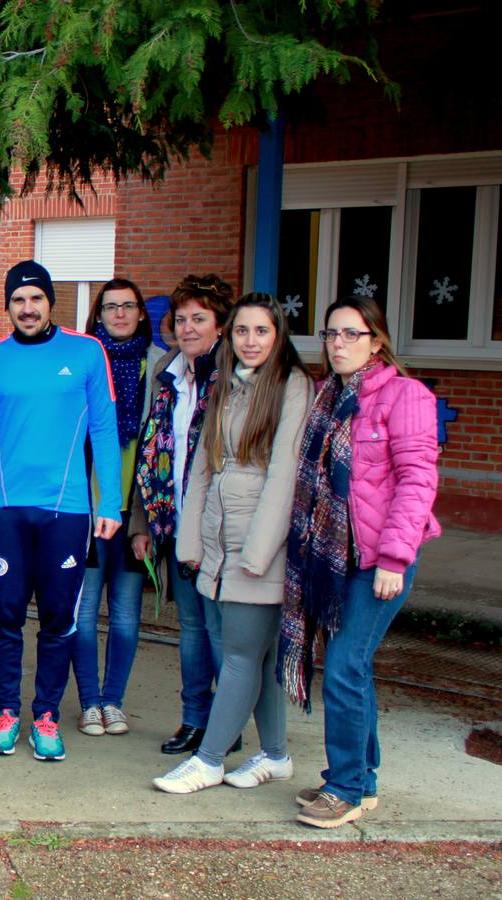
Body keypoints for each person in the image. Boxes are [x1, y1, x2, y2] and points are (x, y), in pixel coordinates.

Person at [284, 296, 440, 829]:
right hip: (335, 559)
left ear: (377, 340)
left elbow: (418, 482)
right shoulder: (330, 396)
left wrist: (396, 557)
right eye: (331, 334)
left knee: (346, 667)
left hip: (380, 558)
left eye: (352, 334)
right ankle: (363, 779)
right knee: (353, 667)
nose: (339, 344)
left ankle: (345, 786)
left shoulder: (406, 395)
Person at [153, 294, 312, 794]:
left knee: (240, 657)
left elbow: (285, 477)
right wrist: (190, 541)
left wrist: (258, 556)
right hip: (218, 549)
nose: (250, 341)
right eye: (242, 331)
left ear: (278, 335)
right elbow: (202, 468)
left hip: (255, 550)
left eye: (260, 331)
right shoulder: (227, 385)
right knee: (258, 658)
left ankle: (209, 759)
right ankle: (277, 754)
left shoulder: (292, 386)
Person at [0, 260, 121, 763]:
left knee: (60, 617)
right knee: (4, 613)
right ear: (8, 305)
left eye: (36, 298)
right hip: (2, 509)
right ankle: (7, 711)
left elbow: (103, 429)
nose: (28, 308)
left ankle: (45, 716)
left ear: (49, 301)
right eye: (18, 300)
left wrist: (112, 503)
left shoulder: (85, 352)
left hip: (67, 509)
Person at [129, 274, 235, 757]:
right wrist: (144, 523)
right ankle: (195, 720)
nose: (188, 328)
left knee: (221, 631)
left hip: (219, 528)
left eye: (200, 319)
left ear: (221, 325)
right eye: (182, 319)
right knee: (192, 630)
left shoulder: (233, 380)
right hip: (172, 524)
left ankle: (226, 726)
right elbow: (151, 453)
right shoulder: (167, 375)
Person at [72, 278, 163, 738]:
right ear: (98, 315)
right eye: (111, 307)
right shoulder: (87, 359)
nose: (120, 314)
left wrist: (145, 521)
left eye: (129, 306)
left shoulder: (160, 368)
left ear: (142, 313)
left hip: (135, 512)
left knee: (126, 613)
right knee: (83, 612)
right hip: (87, 508)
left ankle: (114, 701)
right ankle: (89, 702)